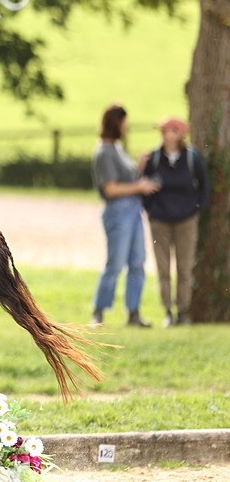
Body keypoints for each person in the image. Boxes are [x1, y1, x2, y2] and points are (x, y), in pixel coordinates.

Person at [91, 104, 159, 326]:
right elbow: (111, 189)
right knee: (116, 264)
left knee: (138, 262)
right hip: (118, 213)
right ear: (115, 123)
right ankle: (98, 310)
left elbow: (126, 180)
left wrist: (139, 167)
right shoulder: (104, 152)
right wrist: (139, 187)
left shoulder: (118, 149)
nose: (126, 127)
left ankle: (133, 313)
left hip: (133, 212)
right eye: (124, 122)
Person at [141, 117, 208, 326]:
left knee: (184, 268)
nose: (164, 134)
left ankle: (183, 312)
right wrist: (150, 210)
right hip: (160, 221)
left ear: (179, 134)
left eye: (169, 131)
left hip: (186, 221)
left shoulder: (192, 158)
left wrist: (196, 210)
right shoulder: (153, 158)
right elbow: (144, 186)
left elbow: (204, 187)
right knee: (163, 269)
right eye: (162, 131)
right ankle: (168, 311)